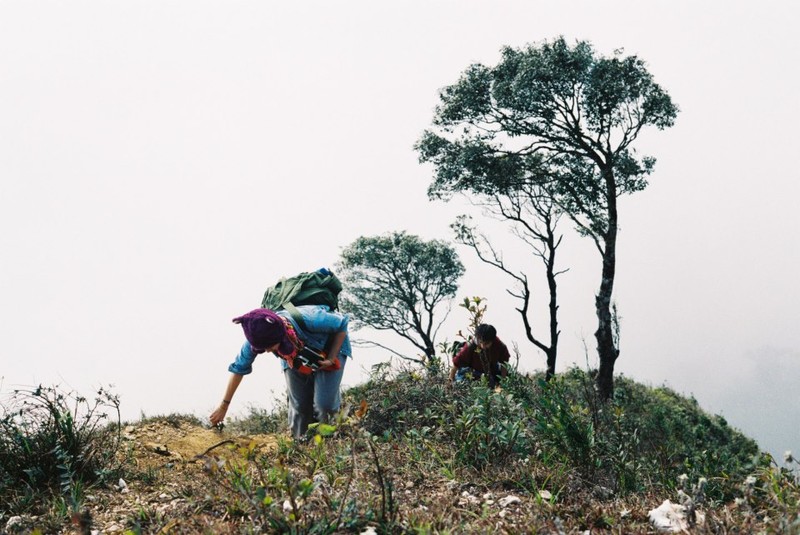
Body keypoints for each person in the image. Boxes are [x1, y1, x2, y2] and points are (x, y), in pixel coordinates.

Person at [209, 305, 351, 439]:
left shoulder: (310, 318)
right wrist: (223, 406)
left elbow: (342, 323)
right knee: (299, 406)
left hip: (331, 347)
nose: (267, 351)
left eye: (269, 346)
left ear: (280, 335)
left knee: (324, 404)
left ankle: (332, 440)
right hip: (291, 356)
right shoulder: (256, 338)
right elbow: (239, 368)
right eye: (262, 348)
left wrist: (331, 358)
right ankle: (301, 444)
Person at [449, 323, 510, 388]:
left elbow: (504, 364)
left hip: (490, 372)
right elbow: (456, 364)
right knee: (462, 384)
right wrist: (450, 382)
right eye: (481, 342)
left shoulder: (499, 346)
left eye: (486, 343)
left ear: (492, 341)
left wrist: (502, 383)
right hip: (470, 371)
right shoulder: (470, 346)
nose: (483, 346)